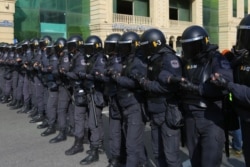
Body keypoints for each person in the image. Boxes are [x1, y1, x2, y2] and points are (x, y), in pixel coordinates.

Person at [178, 25, 233, 167]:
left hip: (210, 117)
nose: (188, 50)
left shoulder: (216, 59)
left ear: (202, 43)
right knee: (195, 160)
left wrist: (196, 88)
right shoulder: (185, 61)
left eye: (192, 46)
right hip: (190, 116)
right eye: (186, 46)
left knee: (210, 161)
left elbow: (225, 84)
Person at [134, 28, 183, 167]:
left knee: (171, 156)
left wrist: (145, 83)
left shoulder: (169, 58)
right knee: (157, 153)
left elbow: (169, 87)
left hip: (167, 111)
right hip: (154, 111)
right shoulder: (154, 59)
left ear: (154, 44)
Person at [210, 14, 250, 167]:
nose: (244, 41)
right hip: (244, 118)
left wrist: (228, 85)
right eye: (243, 36)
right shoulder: (241, 58)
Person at [78, 35, 106, 165]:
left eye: (90, 47)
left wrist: (86, 75)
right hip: (90, 92)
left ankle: (95, 149)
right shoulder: (92, 58)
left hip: (97, 93)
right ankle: (98, 144)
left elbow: (99, 75)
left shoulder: (100, 59)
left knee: (93, 121)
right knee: (96, 120)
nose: (87, 50)